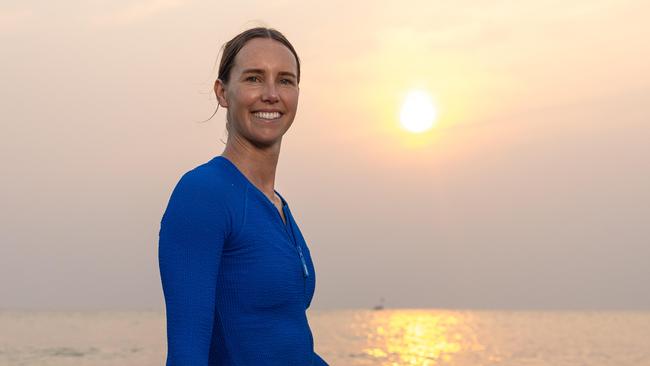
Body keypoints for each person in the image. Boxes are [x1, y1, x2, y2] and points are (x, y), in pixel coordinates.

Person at [158, 27, 329, 365]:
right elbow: (186, 353)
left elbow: (287, 344)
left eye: (285, 80)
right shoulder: (203, 194)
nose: (271, 94)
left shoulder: (278, 205)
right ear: (223, 93)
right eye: (253, 78)